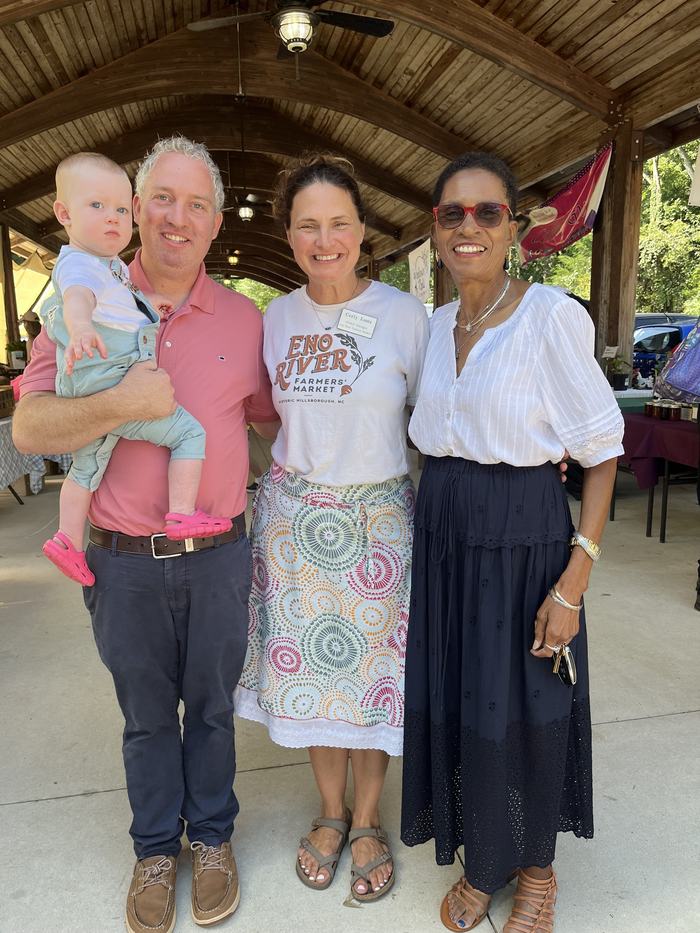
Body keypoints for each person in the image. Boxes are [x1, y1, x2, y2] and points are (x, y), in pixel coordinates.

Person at [13, 136, 278, 933]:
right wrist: (122, 404)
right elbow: (29, 424)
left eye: (198, 203)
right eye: (162, 197)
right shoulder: (80, 294)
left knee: (211, 709)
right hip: (123, 560)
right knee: (145, 717)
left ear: (217, 220)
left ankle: (215, 838)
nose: (177, 217)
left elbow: (274, 421)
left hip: (220, 554)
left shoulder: (244, 317)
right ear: (133, 206)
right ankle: (157, 848)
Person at [400, 152, 624, 932]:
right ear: (435, 229)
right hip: (447, 534)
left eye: (486, 212)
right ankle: (483, 858)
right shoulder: (435, 324)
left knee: (527, 702)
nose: (468, 227)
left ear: (514, 228)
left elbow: (600, 453)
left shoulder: (550, 317)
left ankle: (535, 870)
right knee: (466, 698)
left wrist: (574, 582)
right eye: (452, 213)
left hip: (522, 533)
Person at [235, 154, 430, 900]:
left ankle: (371, 818)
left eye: (339, 223)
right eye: (309, 225)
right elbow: (257, 413)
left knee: (374, 680)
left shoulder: (404, 316)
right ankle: (329, 812)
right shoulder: (274, 318)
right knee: (314, 675)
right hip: (295, 525)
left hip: (380, 521)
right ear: (288, 234)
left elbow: (435, 419)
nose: (325, 239)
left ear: (361, 230)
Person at [40, 152, 231, 587]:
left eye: (119, 209)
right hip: (108, 376)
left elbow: (116, 305)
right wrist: (83, 329)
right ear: (64, 214)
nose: (112, 219)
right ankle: (181, 512)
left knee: (85, 468)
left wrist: (151, 309)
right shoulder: (79, 264)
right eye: (96, 206)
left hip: (217, 566)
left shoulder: (112, 272)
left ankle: (67, 539)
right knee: (188, 433)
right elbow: (79, 298)